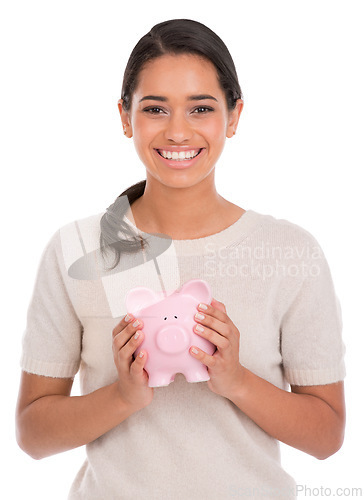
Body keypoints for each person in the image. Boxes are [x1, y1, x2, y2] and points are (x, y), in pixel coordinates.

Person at [16, 18, 346, 500]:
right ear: (125, 117)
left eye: (200, 108)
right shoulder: (77, 250)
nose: (177, 131)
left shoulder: (291, 253)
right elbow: (32, 435)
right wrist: (124, 395)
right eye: (155, 108)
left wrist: (236, 381)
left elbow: (326, 437)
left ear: (233, 117)